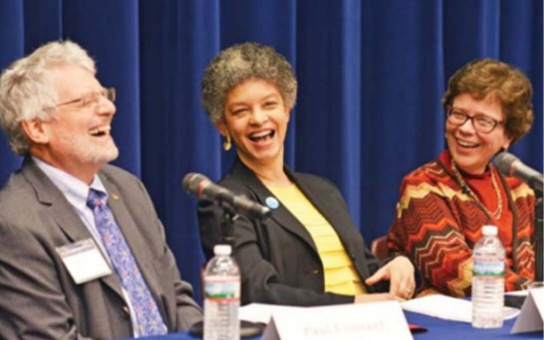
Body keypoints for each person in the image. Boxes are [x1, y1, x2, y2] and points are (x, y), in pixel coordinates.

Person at [0, 40, 202, 339]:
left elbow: (175, 296)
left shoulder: (127, 187)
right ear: (37, 128)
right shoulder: (13, 222)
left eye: (104, 96)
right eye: (84, 101)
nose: (109, 108)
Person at [198, 42, 416, 307]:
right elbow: (257, 292)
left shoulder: (323, 189)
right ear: (223, 126)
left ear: (287, 110)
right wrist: (355, 305)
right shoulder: (226, 200)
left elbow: (366, 272)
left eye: (270, 104)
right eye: (241, 111)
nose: (258, 118)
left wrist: (397, 265)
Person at [387, 58, 535, 297]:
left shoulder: (522, 189)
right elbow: (458, 274)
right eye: (458, 114)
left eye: (483, 121)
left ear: (508, 135)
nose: (465, 128)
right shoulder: (423, 186)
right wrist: (534, 293)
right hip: (457, 322)